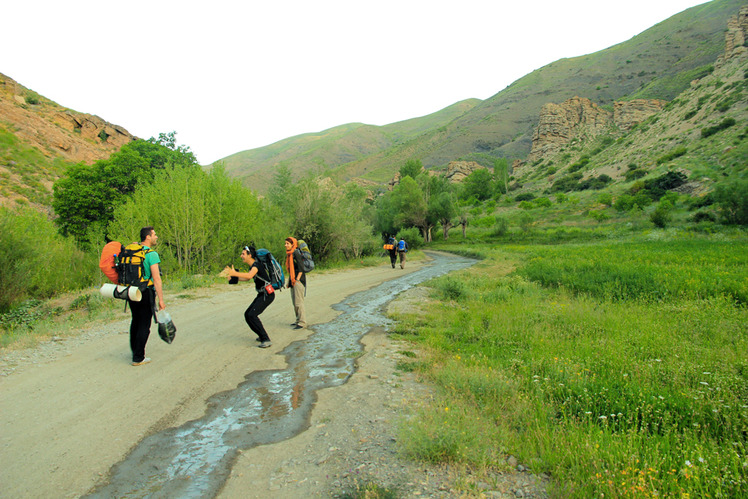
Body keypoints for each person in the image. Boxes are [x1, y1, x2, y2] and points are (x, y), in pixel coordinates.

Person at [223, 246, 275, 348]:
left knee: (252, 315)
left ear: (249, 255)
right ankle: (261, 336)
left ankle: (266, 339)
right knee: (248, 314)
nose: (241, 256)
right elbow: (247, 278)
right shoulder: (253, 266)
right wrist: (233, 279)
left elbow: (249, 276)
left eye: (243, 254)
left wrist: (234, 273)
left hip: (267, 295)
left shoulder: (256, 265)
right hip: (262, 294)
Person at [129, 226, 165, 366]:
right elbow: (157, 279)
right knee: (144, 324)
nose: (156, 237)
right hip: (145, 292)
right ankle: (138, 357)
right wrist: (161, 300)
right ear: (148, 237)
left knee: (136, 321)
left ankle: (135, 352)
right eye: (154, 234)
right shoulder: (151, 254)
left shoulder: (133, 250)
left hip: (131, 292)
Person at [284, 237, 307, 330]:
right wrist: (290, 281)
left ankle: (302, 322)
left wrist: (297, 280)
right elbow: (291, 270)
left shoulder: (296, 253)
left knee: (299, 302)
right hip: (293, 280)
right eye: (285, 243)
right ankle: (298, 320)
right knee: (294, 302)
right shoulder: (290, 254)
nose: (285, 245)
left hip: (299, 281)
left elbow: (301, 268)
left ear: (292, 244)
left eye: (287, 244)